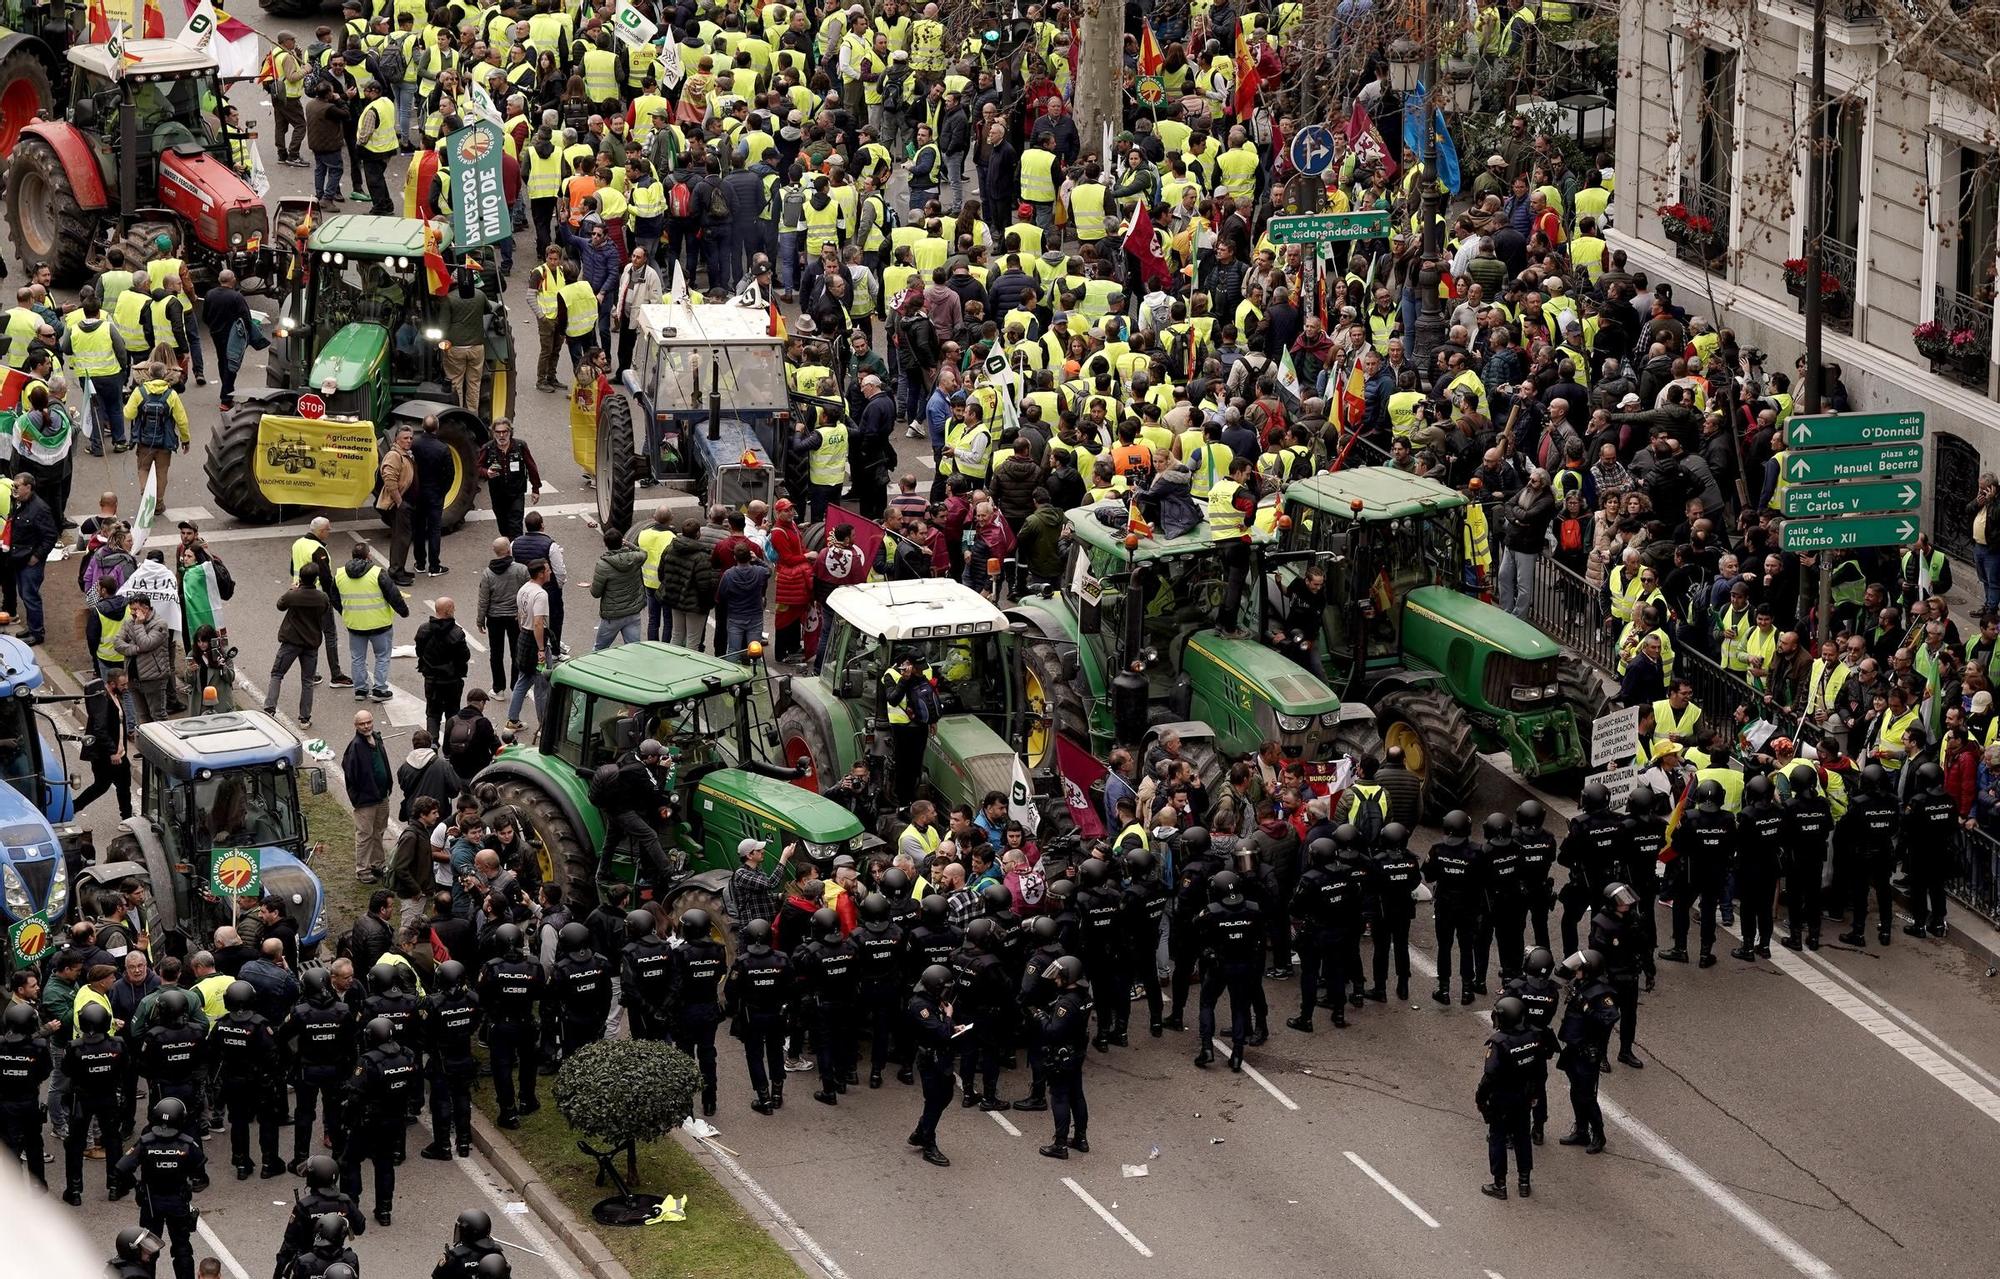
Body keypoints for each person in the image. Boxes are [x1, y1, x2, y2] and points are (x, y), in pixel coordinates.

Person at [115, 1098, 207, 1279]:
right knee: (182, 1250)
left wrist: (137, 1186)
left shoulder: (145, 1142)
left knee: (147, 1251)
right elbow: (199, 1171)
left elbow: (121, 1168)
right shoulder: (187, 1144)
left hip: (151, 1203)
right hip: (178, 1203)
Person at [340, 1016, 418, 1227]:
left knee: (350, 1161)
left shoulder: (368, 1061)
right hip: (394, 1120)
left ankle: (351, 1206)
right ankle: (384, 1210)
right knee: (384, 1165)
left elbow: (355, 1093)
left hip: (367, 1122)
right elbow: (413, 1085)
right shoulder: (407, 1055)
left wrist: (347, 1119)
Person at [280, 972, 358, 1173]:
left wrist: (294, 1058)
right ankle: (339, 1156)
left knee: (304, 1114)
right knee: (335, 1113)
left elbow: (282, 1036)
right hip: (336, 1071)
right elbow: (352, 1042)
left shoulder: (299, 1012)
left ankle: (301, 1158)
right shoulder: (343, 1010)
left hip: (308, 1071)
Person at [1477, 995, 1549, 1200]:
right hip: (1523, 1098)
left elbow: (1489, 1075)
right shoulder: (1534, 1038)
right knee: (1522, 1138)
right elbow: (1540, 1072)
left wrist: (1480, 1098)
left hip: (1502, 1099)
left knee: (1498, 1139)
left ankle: (1500, 1185)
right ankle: (1524, 1183)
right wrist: (1534, 1094)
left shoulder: (1499, 1043)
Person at [211, 980, 284, 1180]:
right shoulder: (260, 1025)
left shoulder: (222, 1025)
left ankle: (242, 1163)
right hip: (260, 1082)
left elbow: (212, 1052)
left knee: (239, 1122)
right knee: (267, 1122)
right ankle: (269, 1163)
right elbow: (273, 1056)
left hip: (233, 1082)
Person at [478, 923, 545, 1128]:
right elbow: (540, 993)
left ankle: (508, 1111)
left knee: (502, 1067)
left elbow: (483, 997)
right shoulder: (534, 966)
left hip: (501, 1024)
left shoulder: (491, 967)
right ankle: (527, 1100)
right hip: (525, 1022)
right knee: (528, 1063)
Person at [726, 918, 791, 1115]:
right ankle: (777, 1095)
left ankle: (764, 1099)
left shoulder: (743, 962)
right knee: (776, 1051)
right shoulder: (782, 959)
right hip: (777, 1014)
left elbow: (730, 991)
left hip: (752, 1015)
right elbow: (792, 987)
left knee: (754, 1055)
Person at [418, 960, 482, 1160]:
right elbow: (474, 1024)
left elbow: (424, 1032)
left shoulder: (432, 1003)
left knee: (441, 1102)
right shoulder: (472, 999)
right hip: (463, 1057)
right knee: (462, 1097)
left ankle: (442, 1145)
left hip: (441, 1060)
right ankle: (464, 1143)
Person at [670, 909, 727, 1116]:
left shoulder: (681, 953)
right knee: (708, 1055)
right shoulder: (719, 950)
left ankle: (685, 1105)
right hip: (709, 1008)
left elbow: (676, 984)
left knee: (685, 1057)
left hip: (686, 1010)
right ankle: (710, 1101)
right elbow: (720, 973)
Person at [337, 542, 409, 700]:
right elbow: (393, 595)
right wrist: (404, 611)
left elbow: (334, 598)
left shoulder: (340, 574)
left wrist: (345, 611)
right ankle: (380, 689)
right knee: (382, 656)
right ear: (368, 555)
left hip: (354, 625)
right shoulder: (378, 573)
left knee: (357, 658)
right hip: (380, 624)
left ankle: (360, 690)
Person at [906, 963, 958, 1167]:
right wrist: (949, 1017)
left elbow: (943, 1028)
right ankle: (928, 1143)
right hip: (930, 1060)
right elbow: (940, 1033)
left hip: (940, 1058)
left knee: (944, 1096)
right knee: (935, 1100)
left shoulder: (933, 1000)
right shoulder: (920, 1006)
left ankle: (921, 1131)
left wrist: (954, 1026)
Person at [413, 597, 472, 744]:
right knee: (453, 713)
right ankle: (450, 746)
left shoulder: (424, 629)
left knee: (432, 713)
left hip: (432, 680)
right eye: (453, 608)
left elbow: (419, 651)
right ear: (448, 610)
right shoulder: (457, 633)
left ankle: (432, 743)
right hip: (452, 681)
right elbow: (464, 656)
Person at [343, 711, 392, 883]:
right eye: (362, 724)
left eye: (369, 722)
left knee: (379, 831)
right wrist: (360, 796)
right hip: (366, 800)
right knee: (365, 835)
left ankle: (378, 864)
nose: (366, 726)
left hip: (382, 796)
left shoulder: (376, 739)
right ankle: (362, 870)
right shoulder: (355, 746)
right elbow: (351, 775)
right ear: (356, 726)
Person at [477, 421, 541, 540]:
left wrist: (535, 489)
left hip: (516, 493)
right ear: (493, 433)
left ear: (510, 432)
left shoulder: (520, 446)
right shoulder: (488, 448)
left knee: (516, 526)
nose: (501, 435)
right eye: (498, 432)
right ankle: (509, 548)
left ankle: (516, 553)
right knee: (503, 527)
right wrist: (487, 473)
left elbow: (531, 467)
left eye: (504, 432)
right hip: (497, 495)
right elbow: (477, 468)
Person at [590, 526, 647, 649]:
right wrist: (630, 545)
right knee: (634, 649)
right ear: (622, 541)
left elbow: (595, 593)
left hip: (612, 614)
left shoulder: (603, 565)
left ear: (606, 544)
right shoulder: (635, 558)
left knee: (599, 649)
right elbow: (644, 553)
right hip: (633, 612)